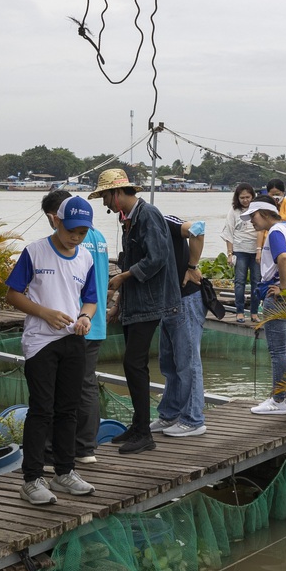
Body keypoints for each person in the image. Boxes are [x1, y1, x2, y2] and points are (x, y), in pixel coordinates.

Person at [5, 196, 100, 505]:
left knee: (68, 409)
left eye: (82, 232)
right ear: (57, 221)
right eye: (71, 229)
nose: (76, 237)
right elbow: (13, 295)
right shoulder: (35, 251)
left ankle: (65, 471)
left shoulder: (85, 257)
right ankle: (32, 479)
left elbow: (90, 298)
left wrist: (85, 316)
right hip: (40, 341)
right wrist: (44, 312)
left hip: (73, 339)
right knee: (42, 409)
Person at [93, 168, 179, 455]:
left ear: (117, 193)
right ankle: (139, 425)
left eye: (105, 195)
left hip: (150, 303)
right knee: (133, 364)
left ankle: (144, 432)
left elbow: (158, 257)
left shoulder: (148, 214)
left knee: (134, 364)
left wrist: (123, 277)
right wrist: (119, 301)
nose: (104, 202)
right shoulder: (128, 219)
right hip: (135, 302)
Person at [35, 191, 113, 466]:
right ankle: (85, 447)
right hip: (95, 320)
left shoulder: (72, 241)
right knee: (86, 384)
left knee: (60, 388)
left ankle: (54, 449)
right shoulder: (99, 237)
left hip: (73, 323)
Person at [154, 210, 209, 439]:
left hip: (187, 298)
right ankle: (170, 413)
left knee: (189, 362)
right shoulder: (136, 228)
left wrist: (193, 266)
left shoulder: (163, 220)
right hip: (167, 301)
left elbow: (198, 228)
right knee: (169, 362)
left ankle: (193, 419)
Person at [247, 201, 286, 415]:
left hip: (278, 295)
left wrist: (283, 285)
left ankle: (277, 400)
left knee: (278, 350)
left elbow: (284, 257)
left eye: (253, 216)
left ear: (263, 213)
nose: (251, 221)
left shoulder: (275, 232)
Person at [224, 184, 261, 317]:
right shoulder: (233, 211)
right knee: (239, 282)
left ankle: (254, 312)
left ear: (252, 197)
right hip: (240, 251)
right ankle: (239, 311)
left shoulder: (257, 209)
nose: (245, 200)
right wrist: (229, 253)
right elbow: (229, 231)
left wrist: (259, 250)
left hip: (256, 251)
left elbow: (262, 230)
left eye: (248, 197)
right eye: (242, 198)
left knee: (256, 281)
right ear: (237, 198)